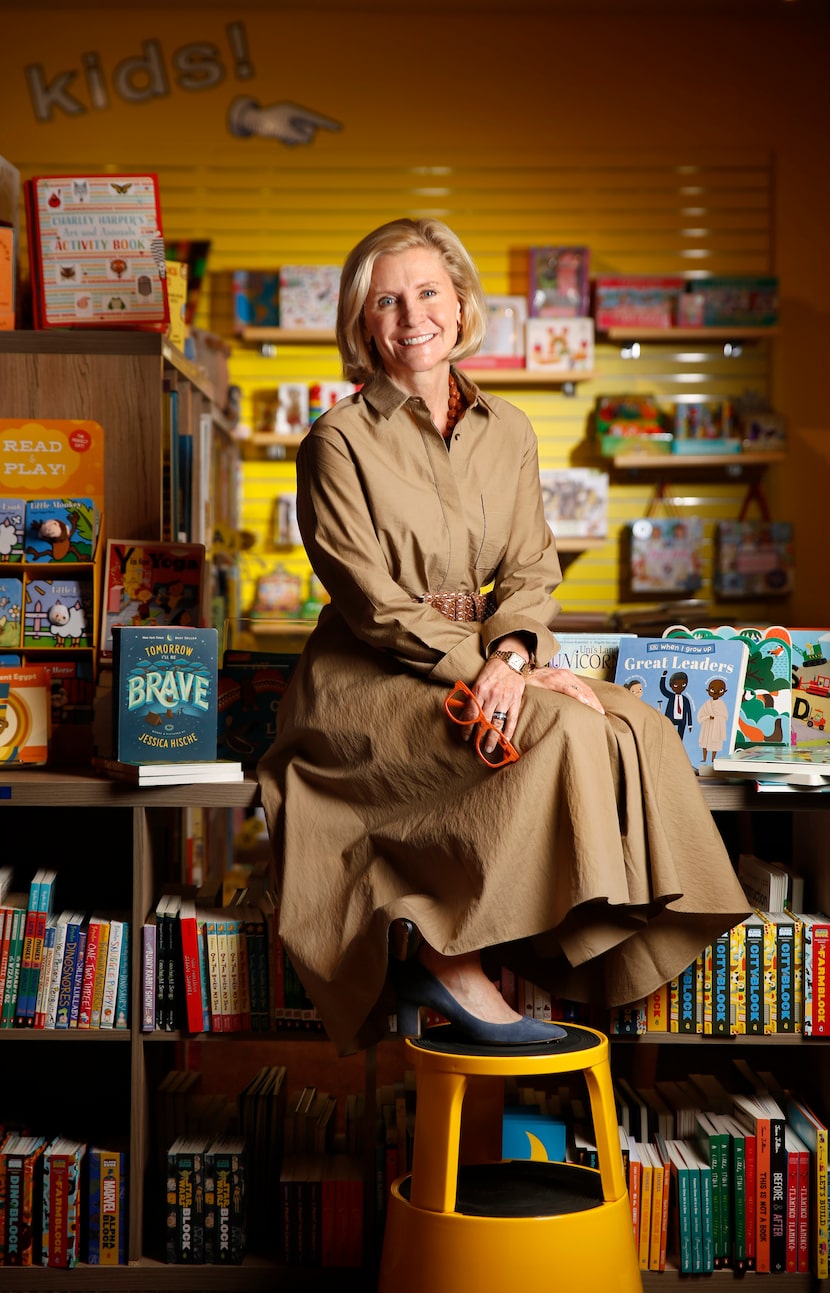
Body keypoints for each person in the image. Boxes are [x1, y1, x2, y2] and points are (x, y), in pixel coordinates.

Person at [257, 217, 750, 1055]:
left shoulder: (510, 430)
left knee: (634, 723)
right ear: (362, 323)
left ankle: (588, 957)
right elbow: (373, 604)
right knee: (551, 729)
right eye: (386, 300)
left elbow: (528, 569)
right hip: (369, 679)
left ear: (460, 304)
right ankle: (453, 960)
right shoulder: (335, 442)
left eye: (427, 293)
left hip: (489, 658)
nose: (412, 316)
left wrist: (514, 657)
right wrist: (492, 672)